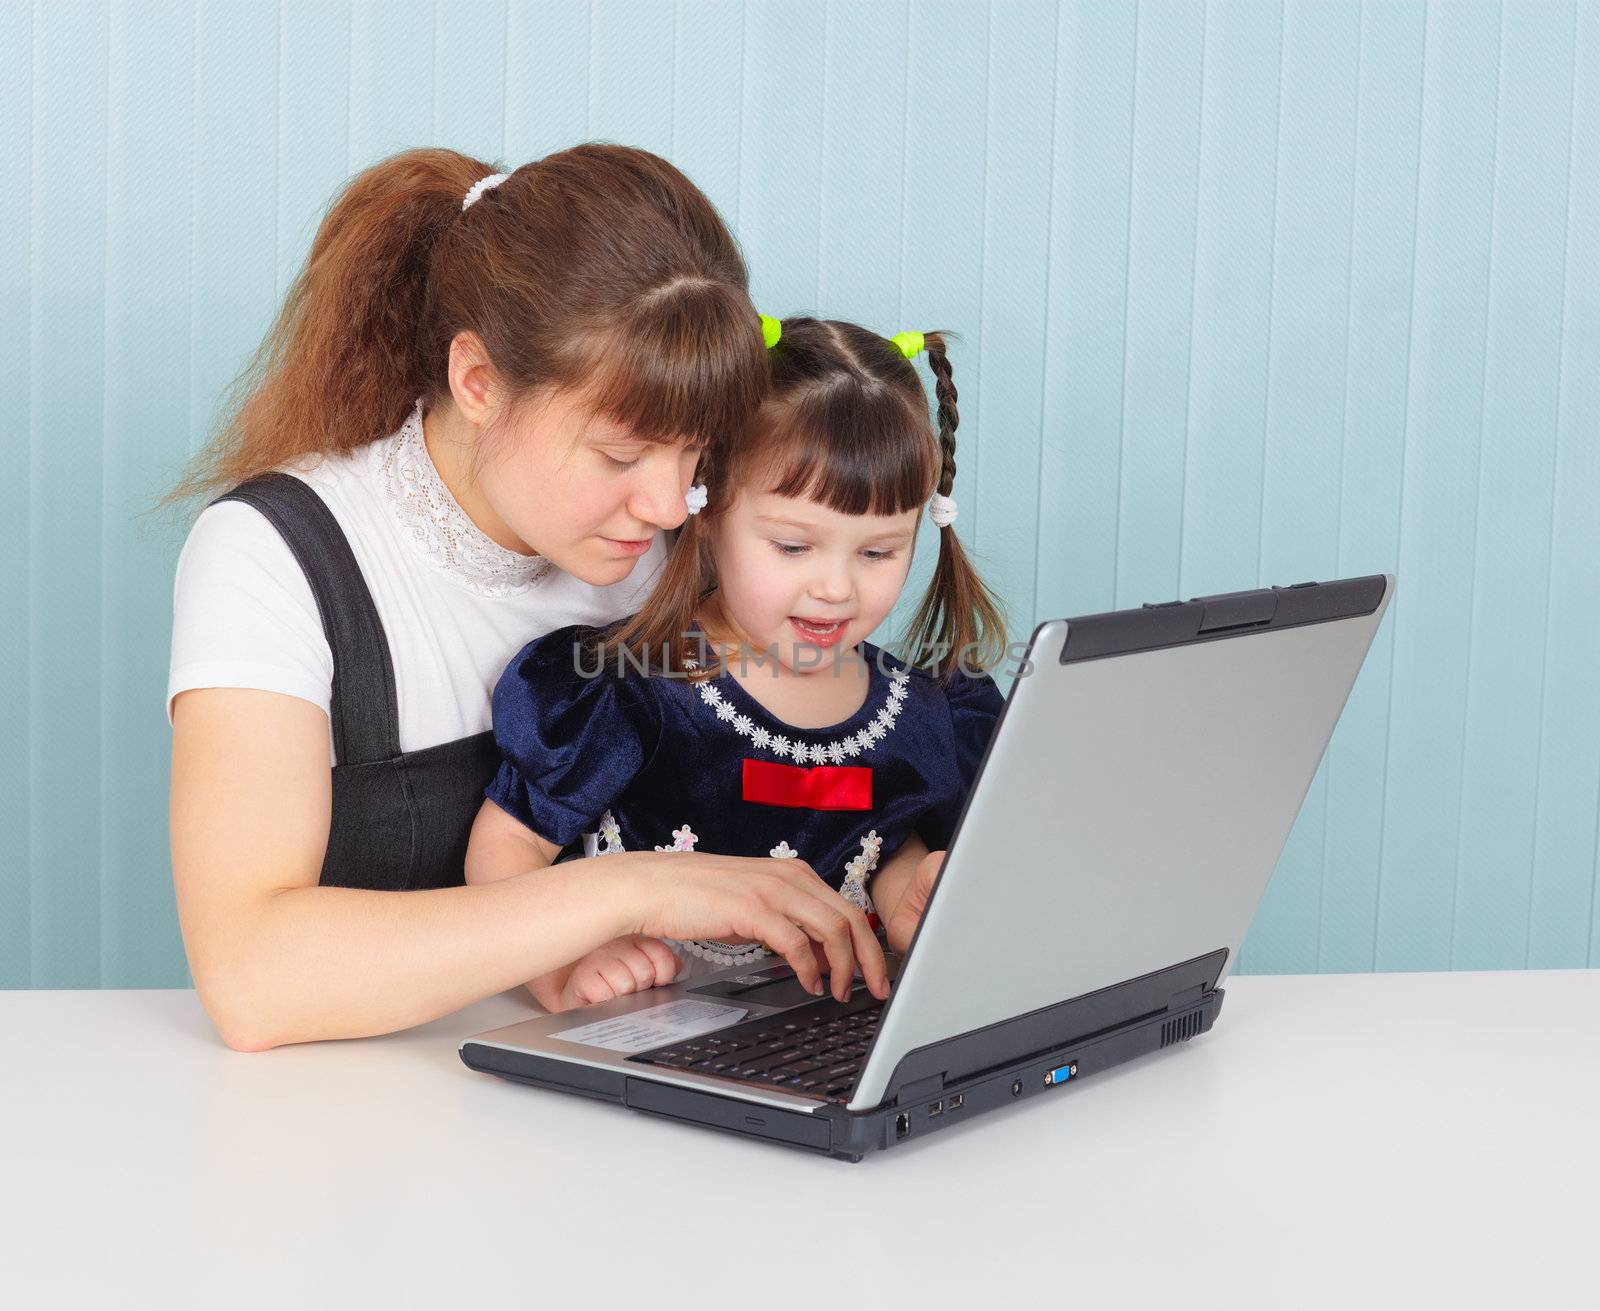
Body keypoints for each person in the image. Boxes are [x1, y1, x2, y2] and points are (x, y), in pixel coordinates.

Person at [167, 148, 886, 1052]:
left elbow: (828, 761)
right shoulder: (278, 556)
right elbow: (249, 977)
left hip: (632, 1085)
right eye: (622, 456)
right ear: (478, 382)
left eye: (695, 454)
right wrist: (642, 887)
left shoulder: (675, 542)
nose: (669, 507)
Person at [466, 317, 1007, 1013]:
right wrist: (566, 961)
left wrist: (911, 899)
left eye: (877, 553)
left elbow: (873, 834)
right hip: (635, 1039)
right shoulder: (633, 689)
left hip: (801, 1051)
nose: (837, 587)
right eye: (791, 546)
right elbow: (506, 845)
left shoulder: (923, 713)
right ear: (707, 507)